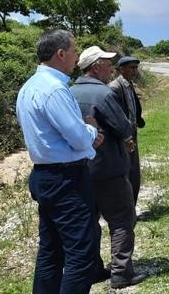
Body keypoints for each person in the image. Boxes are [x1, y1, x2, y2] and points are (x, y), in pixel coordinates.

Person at [16, 29, 104, 293]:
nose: (77, 58)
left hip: (44, 176)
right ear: (61, 53)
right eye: (75, 51)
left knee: (50, 251)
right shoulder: (55, 89)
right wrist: (91, 130)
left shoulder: (28, 87)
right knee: (81, 254)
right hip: (67, 179)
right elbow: (78, 137)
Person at [71, 46, 146, 289]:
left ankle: (92, 268)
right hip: (108, 168)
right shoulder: (103, 94)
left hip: (80, 168)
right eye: (106, 63)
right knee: (122, 218)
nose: (110, 67)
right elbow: (124, 127)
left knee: (89, 220)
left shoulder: (69, 92)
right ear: (95, 66)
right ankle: (121, 272)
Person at [108, 56, 145, 205]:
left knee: (134, 173)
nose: (134, 71)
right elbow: (114, 116)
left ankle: (131, 208)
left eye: (136, 68)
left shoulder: (128, 85)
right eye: (131, 68)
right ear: (120, 69)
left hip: (131, 133)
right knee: (125, 173)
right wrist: (124, 136)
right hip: (123, 136)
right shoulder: (115, 88)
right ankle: (124, 210)